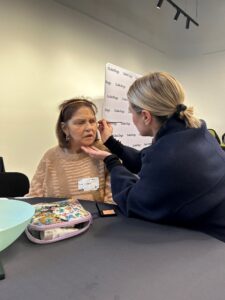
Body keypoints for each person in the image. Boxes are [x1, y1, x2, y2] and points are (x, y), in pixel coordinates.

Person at [82, 72, 225, 242]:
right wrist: (112, 143)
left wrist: (111, 161)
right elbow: (145, 159)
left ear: (146, 116)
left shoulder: (171, 156)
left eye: (131, 113)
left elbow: (133, 202)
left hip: (211, 243)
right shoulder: (193, 131)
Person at [27, 98, 113, 203]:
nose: (89, 128)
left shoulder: (105, 154)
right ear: (65, 128)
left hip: (97, 218)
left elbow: (112, 201)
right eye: (80, 122)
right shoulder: (50, 156)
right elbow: (34, 198)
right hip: (56, 218)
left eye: (92, 121)